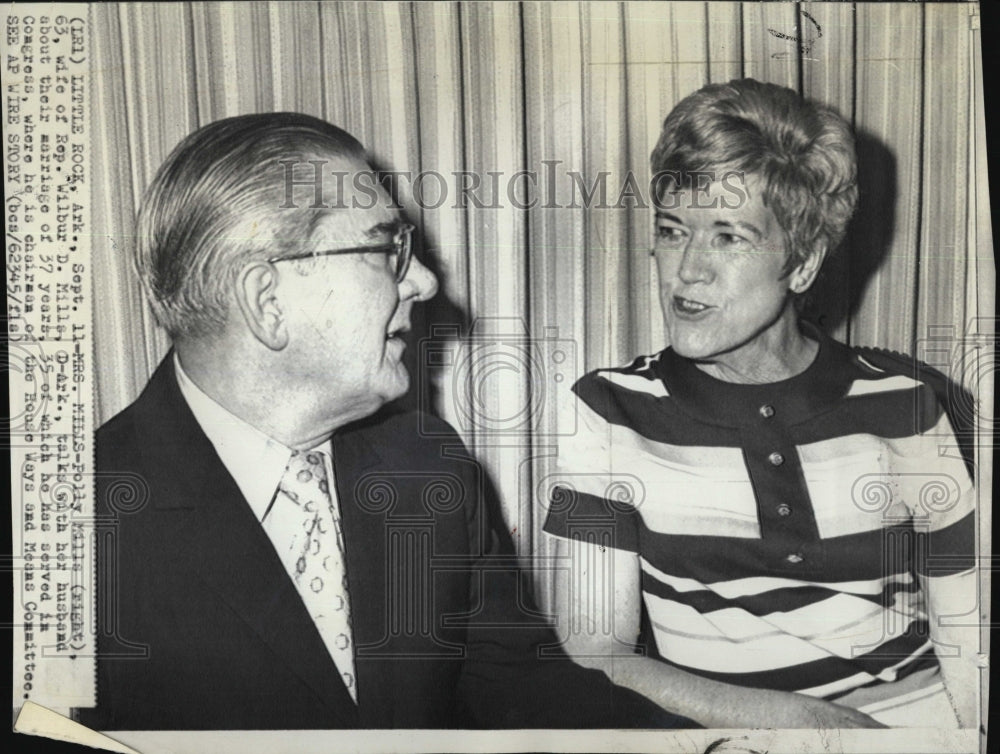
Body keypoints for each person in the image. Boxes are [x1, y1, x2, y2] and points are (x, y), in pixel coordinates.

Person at [74, 112, 693, 730]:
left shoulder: (428, 466)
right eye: (385, 250)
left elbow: (525, 693)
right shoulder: (67, 531)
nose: (423, 282)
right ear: (267, 300)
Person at [544, 79, 979, 729]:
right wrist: (805, 724)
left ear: (801, 264)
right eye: (673, 230)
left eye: (728, 237)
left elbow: (970, 649)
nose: (686, 270)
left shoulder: (910, 405)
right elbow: (596, 654)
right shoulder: (608, 411)